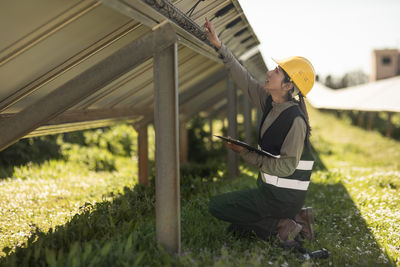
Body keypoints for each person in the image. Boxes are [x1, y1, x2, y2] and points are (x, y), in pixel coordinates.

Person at [204, 18, 316, 244]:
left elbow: (285, 166)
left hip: (283, 197)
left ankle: (285, 222)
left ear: (287, 86)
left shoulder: (295, 121)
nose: (270, 71)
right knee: (236, 230)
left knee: (216, 206)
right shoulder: (269, 102)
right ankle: (293, 218)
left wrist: (246, 153)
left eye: (277, 71)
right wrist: (219, 45)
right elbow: (243, 78)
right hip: (269, 190)